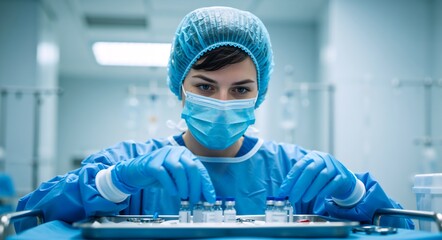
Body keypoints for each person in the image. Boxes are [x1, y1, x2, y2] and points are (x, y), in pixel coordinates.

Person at [16, 6, 413, 231]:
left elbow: (409, 231)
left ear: (261, 93)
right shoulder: (130, 165)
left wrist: (355, 196)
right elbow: (31, 218)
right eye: (206, 87)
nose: (223, 101)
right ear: (179, 86)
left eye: (240, 89)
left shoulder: (298, 172)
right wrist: (113, 182)